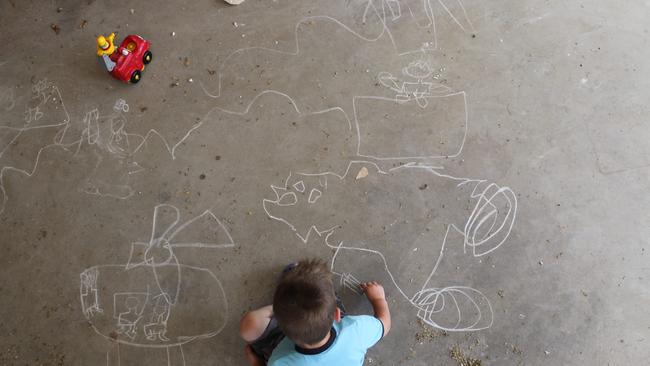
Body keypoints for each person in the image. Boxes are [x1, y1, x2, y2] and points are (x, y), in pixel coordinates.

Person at [239, 259, 391, 365]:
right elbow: (385, 324)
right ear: (337, 315)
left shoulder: (279, 362)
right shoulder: (356, 331)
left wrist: (257, 363)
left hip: (287, 348)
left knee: (249, 325)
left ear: (280, 324)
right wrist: (379, 299)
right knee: (319, 294)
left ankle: (289, 300)